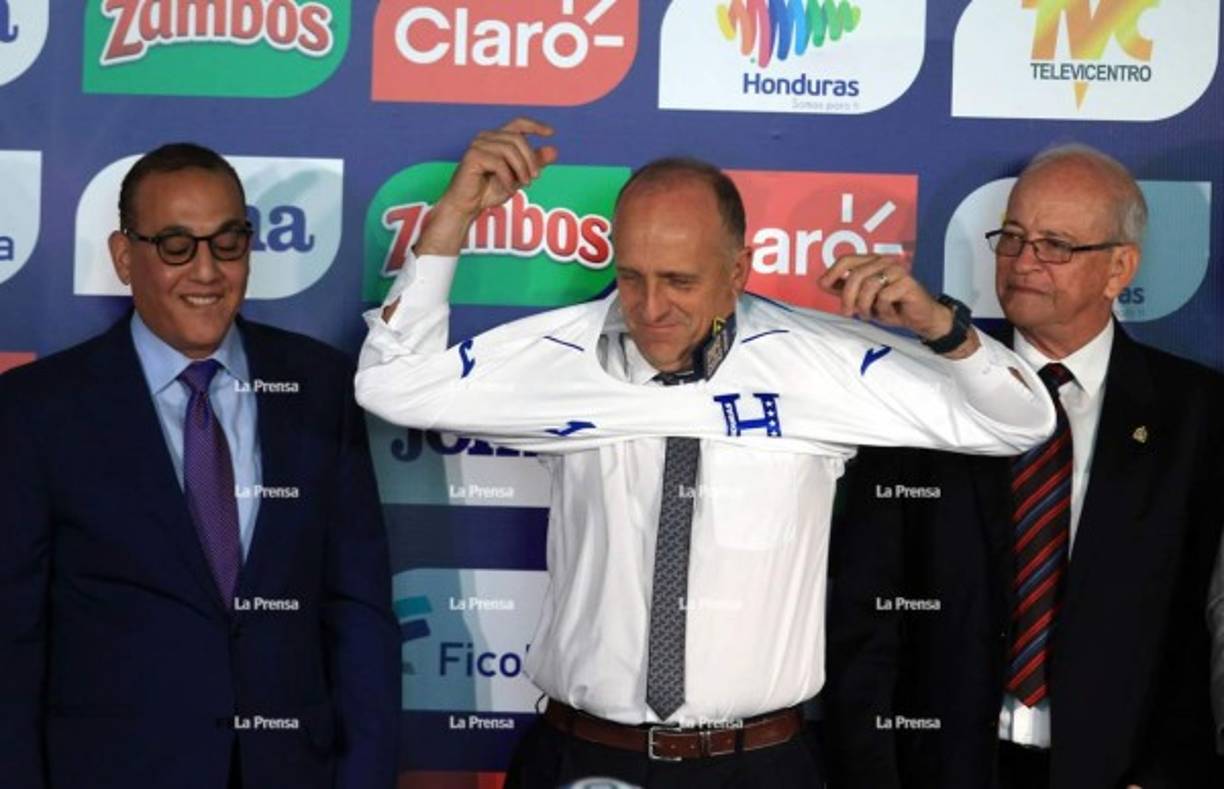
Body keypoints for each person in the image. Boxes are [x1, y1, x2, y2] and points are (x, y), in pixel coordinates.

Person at [355, 118, 1055, 788]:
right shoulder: (559, 353)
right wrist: (454, 214)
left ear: (738, 270)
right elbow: (390, 382)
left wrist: (938, 326)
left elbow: (1019, 420)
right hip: (582, 752)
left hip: (757, 764)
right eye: (632, 277)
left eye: (680, 281)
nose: (650, 306)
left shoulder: (822, 363)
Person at [823, 144, 1224, 789]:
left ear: (1119, 268)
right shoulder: (921, 400)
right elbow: (866, 621)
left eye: (1056, 245)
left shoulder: (1199, 419)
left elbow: (1198, 632)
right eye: (1012, 237)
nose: (1022, 261)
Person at [0, 143, 400, 789]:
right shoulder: (36, 412)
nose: (208, 270)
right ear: (124, 256)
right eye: (177, 245)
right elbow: (12, 646)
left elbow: (358, 614)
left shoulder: (322, 387)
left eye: (229, 241)